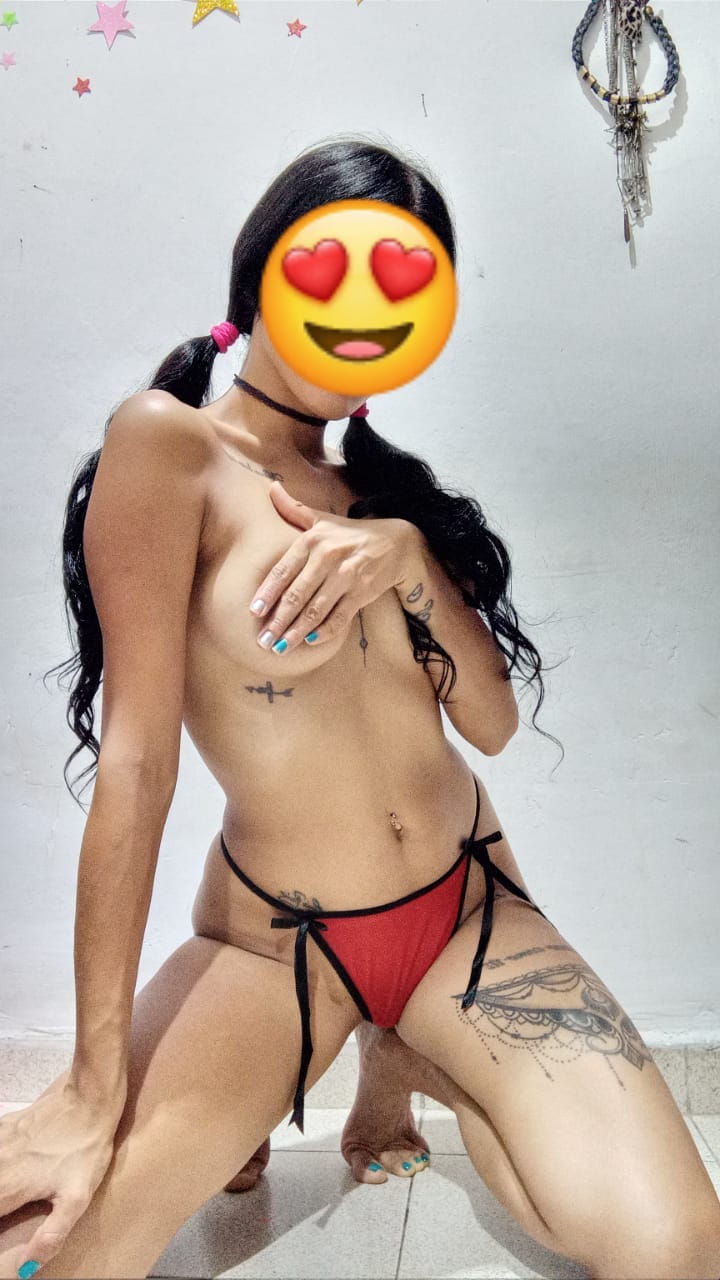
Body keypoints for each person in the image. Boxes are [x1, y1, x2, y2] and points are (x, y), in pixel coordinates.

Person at [1, 135, 719, 1280]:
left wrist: (409, 557)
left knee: (678, 1249)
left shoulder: (386, 499)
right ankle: (326, 1065)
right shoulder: (169, 445)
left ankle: (416, 1051)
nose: (364, 306)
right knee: (49, 1254)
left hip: (468, 909)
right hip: (279, 944)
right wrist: (90, 1088)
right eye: (334, 267)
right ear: (266, 269)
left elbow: (491, 725)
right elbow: (136, 765)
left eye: (405, 282)